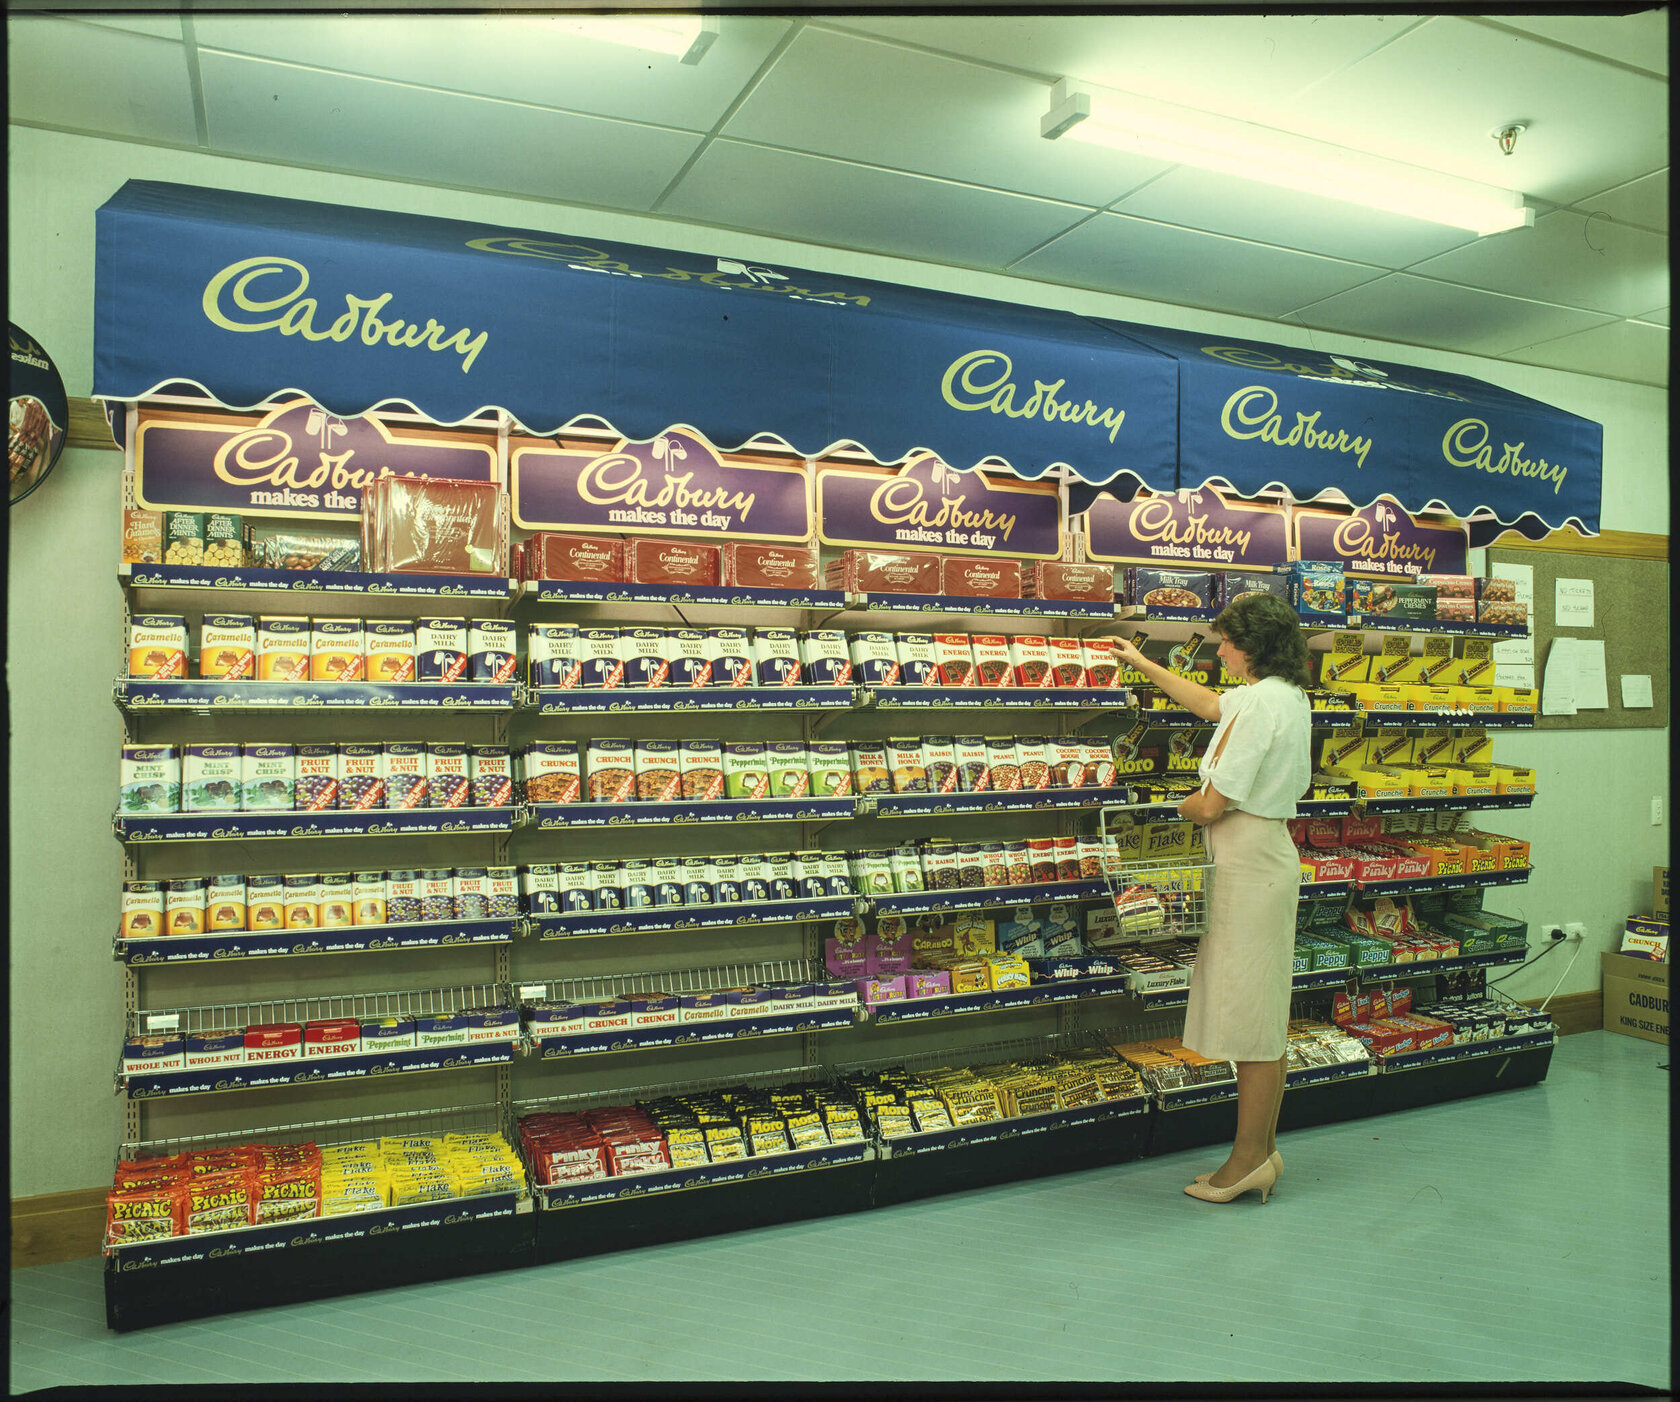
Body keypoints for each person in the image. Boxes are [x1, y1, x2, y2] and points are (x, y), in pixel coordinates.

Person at [1110, 592, 1312, 1205]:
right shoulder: (1286, 697)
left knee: (1250, 1019)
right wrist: (1143, 665)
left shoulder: (1256, 706)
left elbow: (1210, 804)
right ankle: (1264, 1147)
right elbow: (1208, 705)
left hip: (1245, 861)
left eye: (1226, 640)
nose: (1218, 650)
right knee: (1264, 1012)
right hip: (1266, 856)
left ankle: (1246, 1159)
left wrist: (1156, 807)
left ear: (1250, 645)